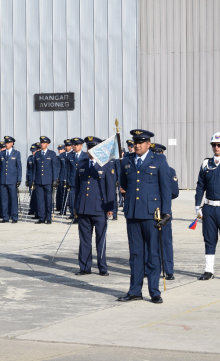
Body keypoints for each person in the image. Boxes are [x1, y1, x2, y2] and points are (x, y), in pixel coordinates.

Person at [118, 129, 171, 304]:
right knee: (135, 254)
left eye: (141, 142)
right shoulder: (127, 161)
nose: (137, 145)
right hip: (133, 213)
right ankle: (134, 290)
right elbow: (124, 185)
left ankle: (154, 291)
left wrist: (166, 213)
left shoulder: (159, 160)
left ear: (149, 144)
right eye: (135, 142)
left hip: (152, 214)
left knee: (153, 254)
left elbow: (166, 189)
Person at [74, 136, 115, 276]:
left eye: (93, 147)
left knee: (100, 240)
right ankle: (85, 267)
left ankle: (102, 268)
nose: (90, 150)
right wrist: (75, 206)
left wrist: (111, 208)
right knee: (84, 240)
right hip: (84, 208)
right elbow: (77, 188)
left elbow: (110, 188)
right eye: (88, 147)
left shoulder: (106, 164)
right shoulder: (81, 164)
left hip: (100, 208)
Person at [149, 143, 179, 280]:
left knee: (165, 241)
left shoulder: (170, 170)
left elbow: (174, 192)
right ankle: (150, 268)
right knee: (150, 241)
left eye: (157, 153)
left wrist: (161, 198)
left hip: (163, 209)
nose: (155, 155)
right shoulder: (147, 169)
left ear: (162, 154)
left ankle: (168, 270)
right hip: (150, 210)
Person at [195, 132, 220, 280]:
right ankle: (209, 270)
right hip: (209, 207)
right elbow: (200, 186)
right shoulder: (206, 164)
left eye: (219, 145)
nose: (216, 148)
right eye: (214, 145)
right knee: (209, 239)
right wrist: (198, 206)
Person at [32, 136, 59, 224]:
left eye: (44, 143)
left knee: (48, 200)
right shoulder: (37, 154)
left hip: (48, 180)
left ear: (47, 144)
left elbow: (54, 168)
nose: (42, 144)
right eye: (41, 143)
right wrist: (33, 179)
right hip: (39, 180)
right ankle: (41, 217)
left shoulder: (52, 154)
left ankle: (48, 217)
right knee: (40, 200)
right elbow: (35, 168)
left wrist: (55, 179)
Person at [0, 136, 22, 223]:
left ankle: (14, 216)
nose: (6, 144)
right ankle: (5, 216)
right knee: (4, 199)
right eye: (6, 143)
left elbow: (19, 167)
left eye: (8, 143)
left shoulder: (16, 153)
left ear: (12, 143)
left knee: (13, 199)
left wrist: (19, 179)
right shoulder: (2, 153)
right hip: (3, 180)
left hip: (12, 180)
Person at [66, 138, 88, 222]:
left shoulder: (85, 156)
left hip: (82, 181)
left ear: (81, 146)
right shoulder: (70, 155)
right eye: (74, 145)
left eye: (77, 145)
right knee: (72, 199)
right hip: (72, 180)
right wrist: (66, 180)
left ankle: (81, 216)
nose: (75, 146)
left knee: (81, 199)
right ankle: (74, 216)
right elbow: (67, 169)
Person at [58, 139, 73, 214]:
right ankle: (62, 210)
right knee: (62, 194)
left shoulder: (73, 154)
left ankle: (72, 212)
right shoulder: (61, 155)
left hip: (70, 177)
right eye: (66, 146)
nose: (67, 147)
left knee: (71, 196)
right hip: (62, 177)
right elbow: (58, 167)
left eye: (69, 146)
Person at [26, 144, 39, 217]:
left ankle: (37, 211)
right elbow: (28, 170)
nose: (33, 152)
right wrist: (27, 179)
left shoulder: (38, 158)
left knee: (37, 196)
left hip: (36, 179)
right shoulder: (30, 158)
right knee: (32, 195)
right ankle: (32, 209)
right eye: (32, 151)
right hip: (31, 179)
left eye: (34, 151)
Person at [55, 144, 65, 213]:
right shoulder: (57, 158)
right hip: (58, 177)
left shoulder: (66, 157)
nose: (59, 151)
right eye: (59, 149)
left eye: (61, 149)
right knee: (58, 194)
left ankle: (63, 208)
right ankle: (58, 207)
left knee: (63, 194)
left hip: (63, 177)